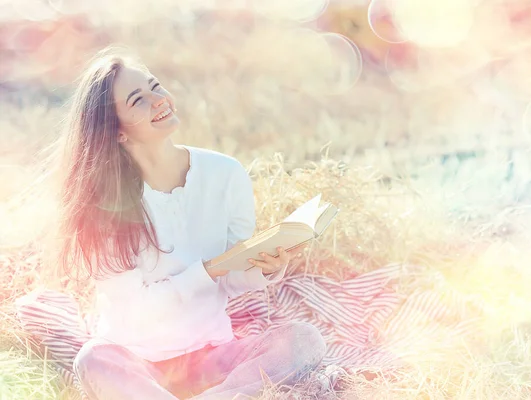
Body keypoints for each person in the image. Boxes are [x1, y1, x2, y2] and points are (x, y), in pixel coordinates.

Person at [53, 47, 327, 399]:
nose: (159, 100)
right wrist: (209, 270)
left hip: (213, 357)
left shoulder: (225, 173)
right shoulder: (99, 205)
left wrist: (265, 267)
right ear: (116, 133)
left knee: (304, 341)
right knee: (92, 360)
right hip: (137, 360)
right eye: (138, 100)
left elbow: (232, 278)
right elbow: (139, 311)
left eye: (156, 86)